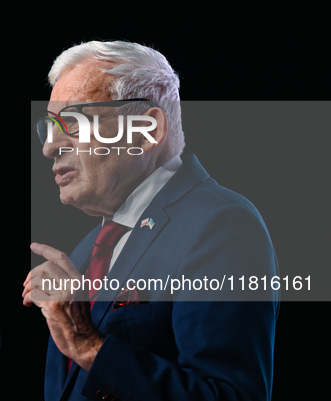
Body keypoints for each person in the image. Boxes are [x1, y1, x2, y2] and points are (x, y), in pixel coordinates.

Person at [23, 41, 279, 401]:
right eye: (49, 127)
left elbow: (231, 395)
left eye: (75, 121)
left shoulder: (220, 224)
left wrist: (86, 343)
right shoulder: (83, 255)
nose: (50, 146)